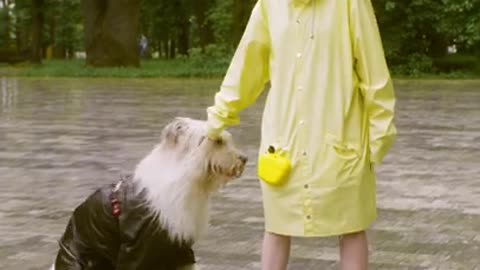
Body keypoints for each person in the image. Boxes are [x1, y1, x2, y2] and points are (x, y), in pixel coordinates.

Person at [205, 0, 397, 269]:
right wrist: (217, 119)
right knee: (276, 226)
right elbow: (245, 68)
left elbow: (375, 75)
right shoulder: (269, 6)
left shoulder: (351, 4)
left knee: (352, 226)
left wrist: (379, 137)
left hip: (341, 141)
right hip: (283, 142)